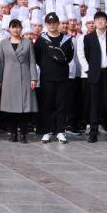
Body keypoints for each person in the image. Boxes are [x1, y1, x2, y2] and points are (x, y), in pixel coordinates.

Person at [78, 10, 107, 143]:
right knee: (94, 104)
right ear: (94, 22)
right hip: (94, 74)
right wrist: (88, 70)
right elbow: (84, 55)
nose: (100, 22)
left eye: (103, 20)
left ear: (106, 22)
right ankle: (93, 133)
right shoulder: (88, 38)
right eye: (98, 20)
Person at [34, 12, 75, 143]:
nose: (51, 25)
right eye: (49, 23)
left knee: (61, 105)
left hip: (62, 77)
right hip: (47, 78)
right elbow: (37, 57)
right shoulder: (41, 39)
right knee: (47, 105)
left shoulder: (67, 39)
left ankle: (61, 131)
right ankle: (46, 131)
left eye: (54, 23)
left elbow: (69, 56)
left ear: (58, 24)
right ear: (46, 24)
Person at [0, 19, 38, 142]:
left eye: (18, 27)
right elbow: (1, 62)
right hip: (8, 78)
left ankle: (23, 134)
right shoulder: (4, 43)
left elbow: (32, 61)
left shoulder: (27, 42)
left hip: (24, 77)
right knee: (11, 108)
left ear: (21, 29)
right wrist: (0, 79)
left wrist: (33, 78)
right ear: (9, 29)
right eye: (13, 27)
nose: (16, 29)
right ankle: (13, 133)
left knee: (24, 108)